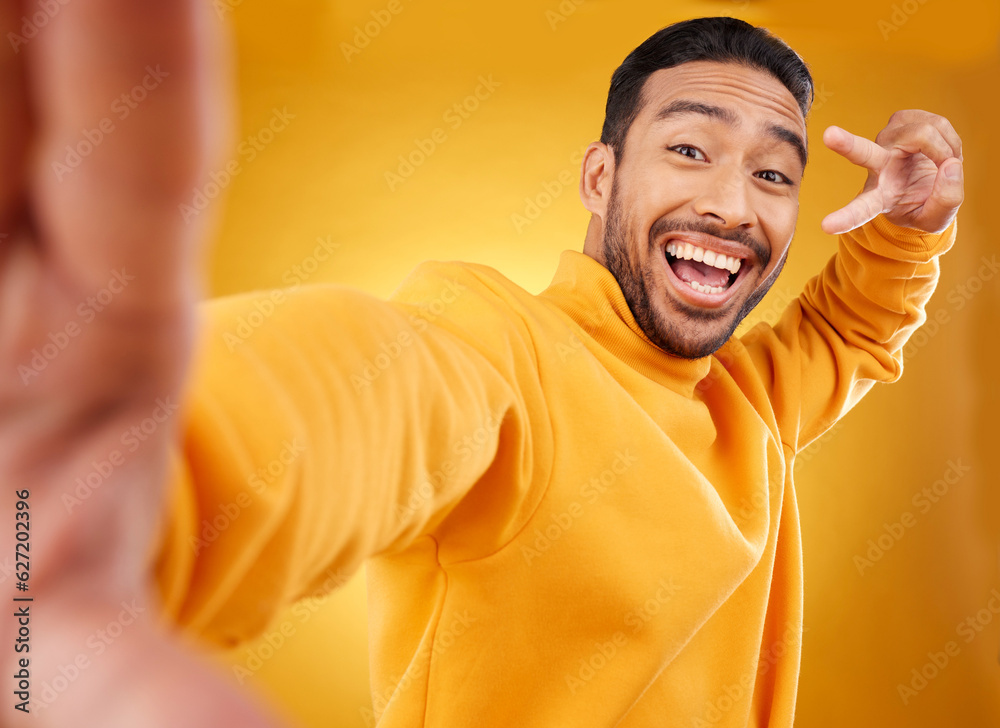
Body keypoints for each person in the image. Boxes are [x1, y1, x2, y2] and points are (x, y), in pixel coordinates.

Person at [0, 4, 963, 727]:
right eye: (688, 148)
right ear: (601, 177)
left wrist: (914, 229)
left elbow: (847, 336)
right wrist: (153, 478)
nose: (731, 206)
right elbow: (380, 388)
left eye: (773, 175)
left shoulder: (748, 398)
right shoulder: (500, 351)